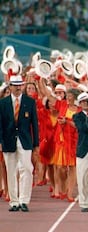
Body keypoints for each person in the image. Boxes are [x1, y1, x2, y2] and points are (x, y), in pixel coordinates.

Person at [0, 75, 39, 212]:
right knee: (11, 171)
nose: (17, 88)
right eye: (15, 85)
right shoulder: (3, 103)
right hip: (8, 140)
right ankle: (14, 201)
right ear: (10, 86)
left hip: (25, 140)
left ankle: (24, 200)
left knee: (27, 169)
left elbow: (34, 124)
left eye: (20, 85)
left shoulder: (30, 102)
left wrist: (36, 145)